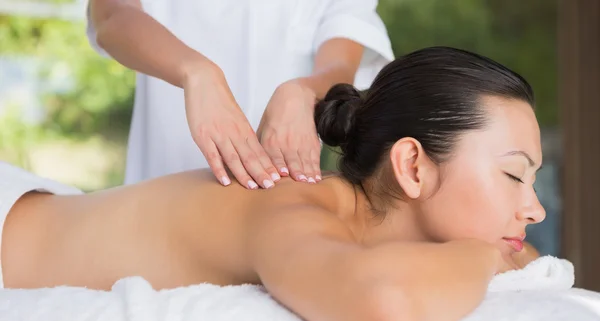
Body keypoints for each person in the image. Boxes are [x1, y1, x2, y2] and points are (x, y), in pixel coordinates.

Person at [0, 47, 545, 321]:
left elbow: (535, 264)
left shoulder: (350, 224)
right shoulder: (289, 207)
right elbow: (384, 313)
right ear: (412, 165)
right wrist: (487, 254)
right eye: (513, 175)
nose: (535, 209)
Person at [87, 0, 394, 188]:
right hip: (158, 200)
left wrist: (303, 91)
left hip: (275, 216)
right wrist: (197, 73)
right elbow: (112, 15)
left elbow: (340, 65)